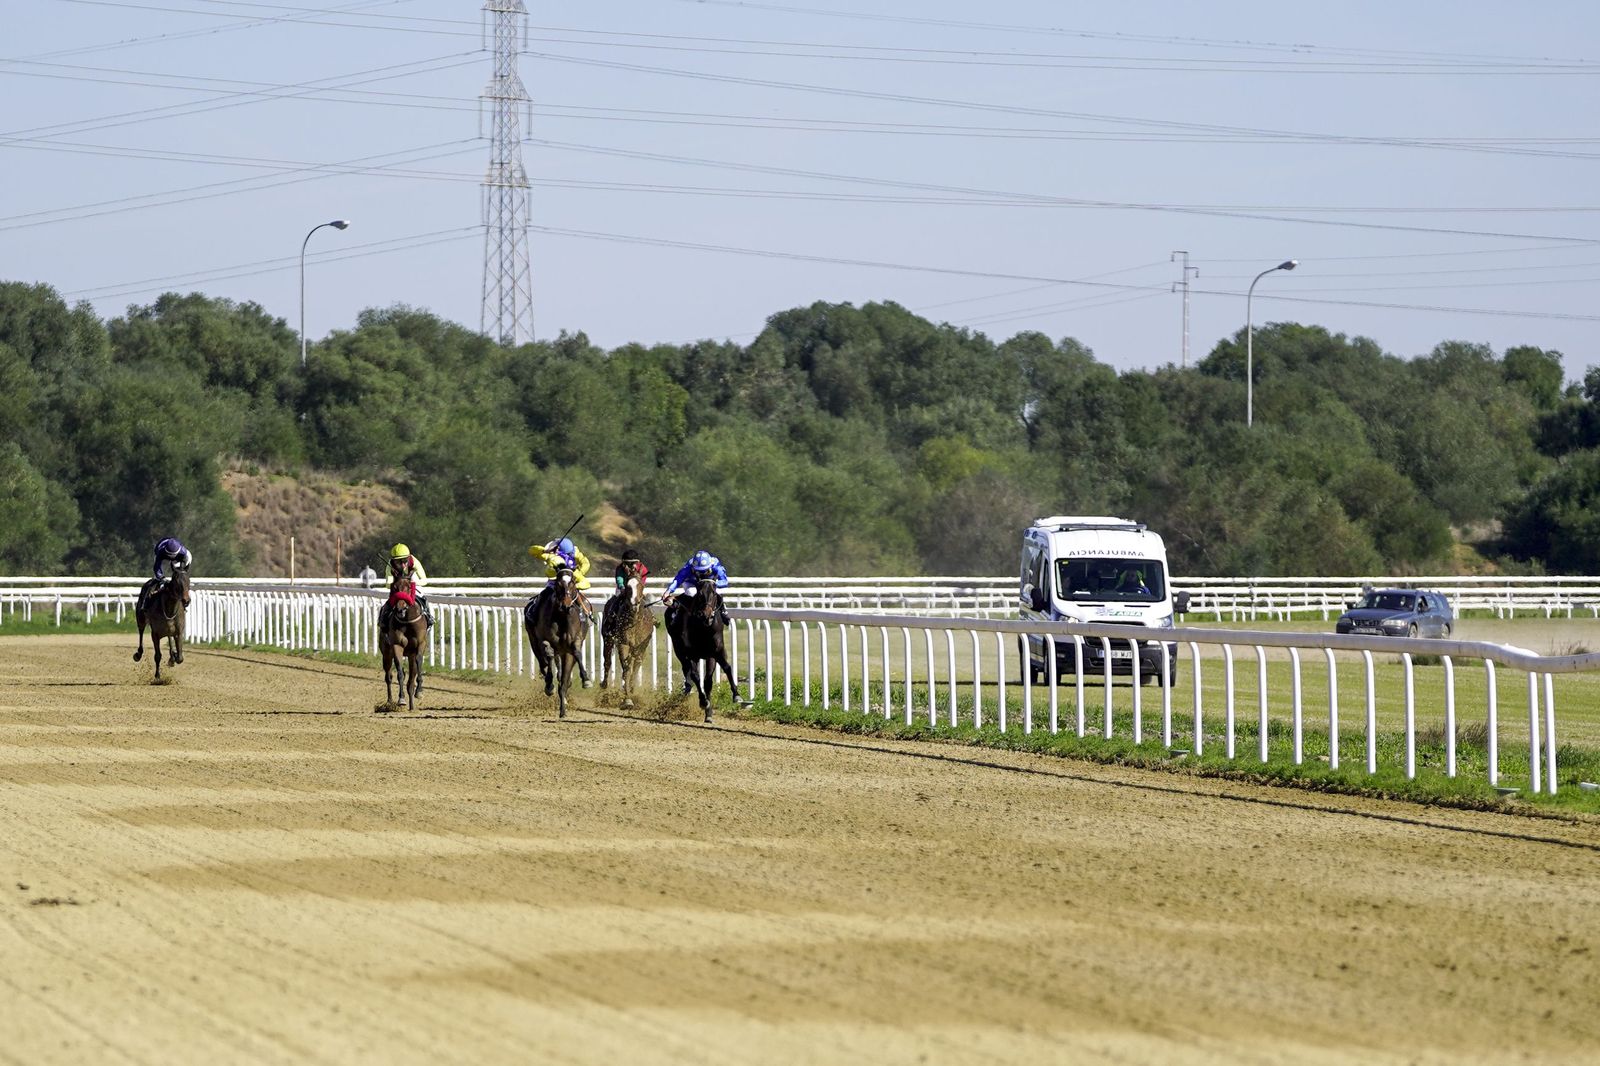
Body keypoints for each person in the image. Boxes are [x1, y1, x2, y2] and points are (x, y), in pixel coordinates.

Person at [529, 536, 594, 627]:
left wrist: (573, 585)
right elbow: (532, 550)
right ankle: (533, 616)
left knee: (583, 601)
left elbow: (586, 583)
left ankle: (587, 616)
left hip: (570, 586)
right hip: (553, 585)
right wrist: (544, 551)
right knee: (543, 596)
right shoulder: (551, 555)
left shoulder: (573, 570)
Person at [663, 549, 731, 627]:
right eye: (699, 571)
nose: (702, 573)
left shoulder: (716, 566)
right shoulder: (688, 567)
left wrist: (713, 584)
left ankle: (723, 611)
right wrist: (668, 591)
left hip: (709, 583)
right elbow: (678, 580)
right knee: (691, 592)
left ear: (710, 566)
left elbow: (724, 581)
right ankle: (678, 610)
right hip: (692, 582)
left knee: (714, 592)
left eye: (704, 571)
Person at [379, 543, 433, 628]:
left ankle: (429, 618)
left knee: (423, 599)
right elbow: (388, 585)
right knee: (386, 605)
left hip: (412, 586)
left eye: (404, 561)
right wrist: (398, 581)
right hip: (398, 589)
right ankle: (383, 620)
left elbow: (424, 581)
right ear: (393, 561)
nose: (403, 565)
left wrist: (412, 583)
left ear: (408, 558)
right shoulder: (390, 565)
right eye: (398, 562)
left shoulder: (414, 561)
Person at [139, 536, 192, 611]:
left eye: (172, 555)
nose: (171, 557)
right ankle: (145, 604)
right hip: (161, 552)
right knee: (156, 581)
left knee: (181, 580)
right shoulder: (160, 551)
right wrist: (161, 578)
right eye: (169, 555)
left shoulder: (183, 552)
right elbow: (157, 567)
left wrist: (181, 573)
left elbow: (187, 562)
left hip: (178, 557)